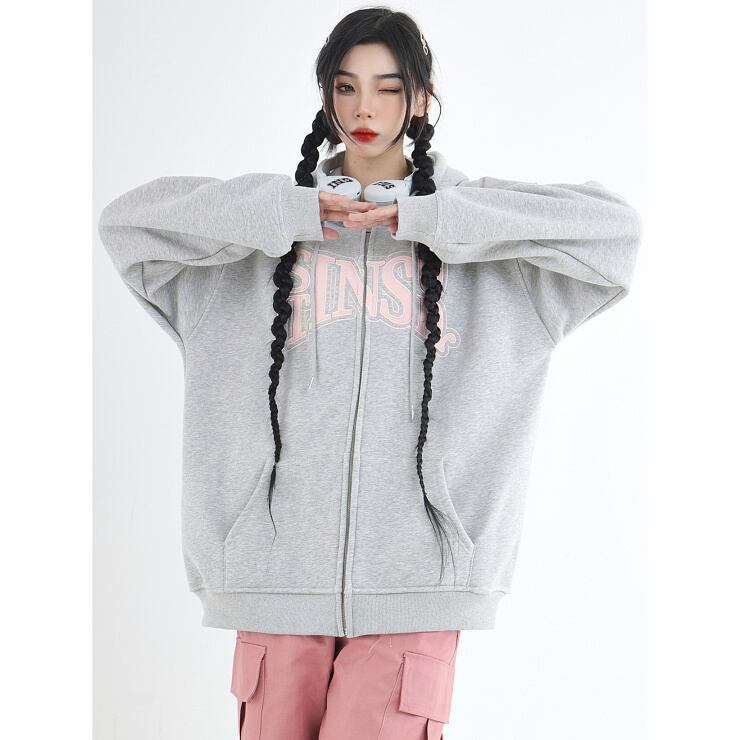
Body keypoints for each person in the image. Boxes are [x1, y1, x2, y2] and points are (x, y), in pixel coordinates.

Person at [97, 7, 643, 739]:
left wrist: (433, 218)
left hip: (420, 584)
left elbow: (614, 233)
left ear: (421, 98)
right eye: (346, 87)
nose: (365, 109)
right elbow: (128, 224)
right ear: (325, 95)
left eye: (389, 88)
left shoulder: (493, 249)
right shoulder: (253, 240)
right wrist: (287, 213)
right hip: (271, 580)